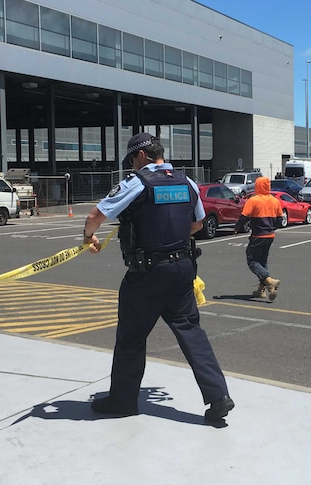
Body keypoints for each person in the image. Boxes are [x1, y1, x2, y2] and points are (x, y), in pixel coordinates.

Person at [82, 133, 233, 423]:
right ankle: (218, 396)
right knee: (192, 332)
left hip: (147, 274)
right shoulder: (187, 182)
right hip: (182, 268)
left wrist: (88, 237)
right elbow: (199, 222)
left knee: (131, 338)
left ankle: (123, 400)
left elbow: (94, 217)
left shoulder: (137, 183)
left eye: (131, 160)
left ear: (140, 156)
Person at [234, 176, 281, 300]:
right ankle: (262, 290)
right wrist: (272, 228)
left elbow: (244, 216)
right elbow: (280, 220)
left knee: (252, 261)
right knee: (262, 261)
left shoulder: (253, 200)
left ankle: (269, 280)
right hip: (270, 235)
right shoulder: (275, 201)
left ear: (257, 186)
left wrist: (236, 228)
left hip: (258, 235)